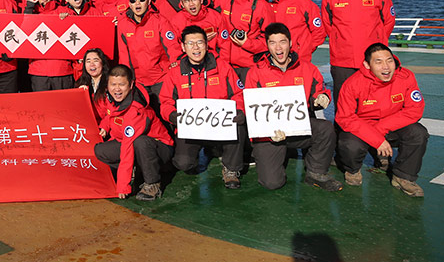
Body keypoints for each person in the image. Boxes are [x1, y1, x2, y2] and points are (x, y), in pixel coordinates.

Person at [246, 23, 343, 192]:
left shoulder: (307, 68)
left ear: (290, 43)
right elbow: (251, 110)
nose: (278, 48)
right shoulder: (256, 72)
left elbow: (318, 91)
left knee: (326, 129)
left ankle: (316, 172)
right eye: (273, 43)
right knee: (272, 183)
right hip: (271, 135)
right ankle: (270, 155)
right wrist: (267, 133)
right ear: (267, 45)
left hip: (298, 128)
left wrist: (323, 96)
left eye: (283, 42)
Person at [159, 26, 246, 189]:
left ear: (207, 44)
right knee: (183, 163)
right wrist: (172, 115)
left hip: (220, 125)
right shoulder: (175, 72)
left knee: (239, 126)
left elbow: (238, 93)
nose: (196, 47)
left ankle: (231, 169)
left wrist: (240, 110)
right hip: (191, 128)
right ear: (183, 47)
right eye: (190, 43)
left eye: (200, 42)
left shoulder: (223, 67)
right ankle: (206, 151)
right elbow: (165, 101)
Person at [336, 43, 427, 197]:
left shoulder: (406, 76)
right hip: (363, 127)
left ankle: (403, 176)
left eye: (389, 60)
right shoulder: (352, 84)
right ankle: (352, 170)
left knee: (418, 133)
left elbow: (415, 109)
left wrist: (379, 130)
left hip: (392, 125)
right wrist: (375, 138)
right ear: (367, 65)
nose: (386, 67)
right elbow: (345, 117)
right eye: (378, 62)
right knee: (349, 144)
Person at [321, 0, 396, 103]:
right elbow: (327, 23)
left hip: (372, 58)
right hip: (342, 59)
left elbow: (388, 20)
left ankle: (376, 126)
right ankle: (342, 127)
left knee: (374, 97)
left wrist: (378, 42)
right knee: (343, 98)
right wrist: (338, 40)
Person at [94, 65, 173, 201]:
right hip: (128, 142)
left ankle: (152, 183)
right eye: (113, 84)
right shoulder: (112, 98)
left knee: (140, 142)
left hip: (159, 148)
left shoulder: (136, 111)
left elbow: (127, 148)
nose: (117, 89)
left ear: (131, 85)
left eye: (122, 85)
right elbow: (110, 115)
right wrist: (105, 127)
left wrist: (123, 186)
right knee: (100, 150)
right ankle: (137, 168)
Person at [115, 0, 172, 109]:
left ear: (148, 1)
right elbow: (124, 55)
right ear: (129, 4)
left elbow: (173, 49)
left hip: (161, 79)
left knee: (166, 115)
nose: (137, 3)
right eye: (133, 0)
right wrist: (127, 80)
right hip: (138, 81)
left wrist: (172, 74)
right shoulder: (123, 25)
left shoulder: (160, 21)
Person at [219, 0, 273, 82]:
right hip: (225, 65)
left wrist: (246, 43)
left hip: (250, 67)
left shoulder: (261, 6)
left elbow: (270, 39)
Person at [266, 0, 325, 65]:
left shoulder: (305, 4)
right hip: (273, 61)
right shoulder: (268, 4)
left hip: (299, 60)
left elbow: (319, 33)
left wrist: (304, 50)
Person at [22, 0, 75, 91]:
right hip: (38, 70)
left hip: (62, 70)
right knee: (41, 106)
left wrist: (68, 20)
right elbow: (24, 31)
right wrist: (29, 6)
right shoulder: (30, 12)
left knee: (63, 106)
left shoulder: (65, 11)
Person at [166, 0, 230, 62]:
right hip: (188, 63)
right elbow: (173, 47)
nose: (191, 4)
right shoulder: (176, 21)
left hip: (214, 61)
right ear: (182, 4)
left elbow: (225, 44)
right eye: (186, 1)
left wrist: (222, 64)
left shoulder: (215, 16)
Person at [76, 48, 111, 120]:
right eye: (88, 61)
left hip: (107, 125)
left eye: (96, 60)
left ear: (103, 63)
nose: (92, 64)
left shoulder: (110, 82)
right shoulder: (81, 83)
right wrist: (80, 95)